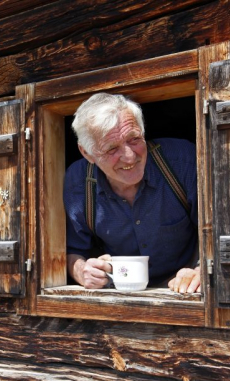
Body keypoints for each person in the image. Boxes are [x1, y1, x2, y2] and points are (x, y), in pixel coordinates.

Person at [64, 93, 201, 293]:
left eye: (134, 139)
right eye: (112, 149)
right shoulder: (78, 182)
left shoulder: (182, 162)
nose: (129, 157)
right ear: (87, 153)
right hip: (119, 295)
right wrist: (81, 271)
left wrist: (201, 270)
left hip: (183, 290)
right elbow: (72, 251)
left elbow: (217, 232)